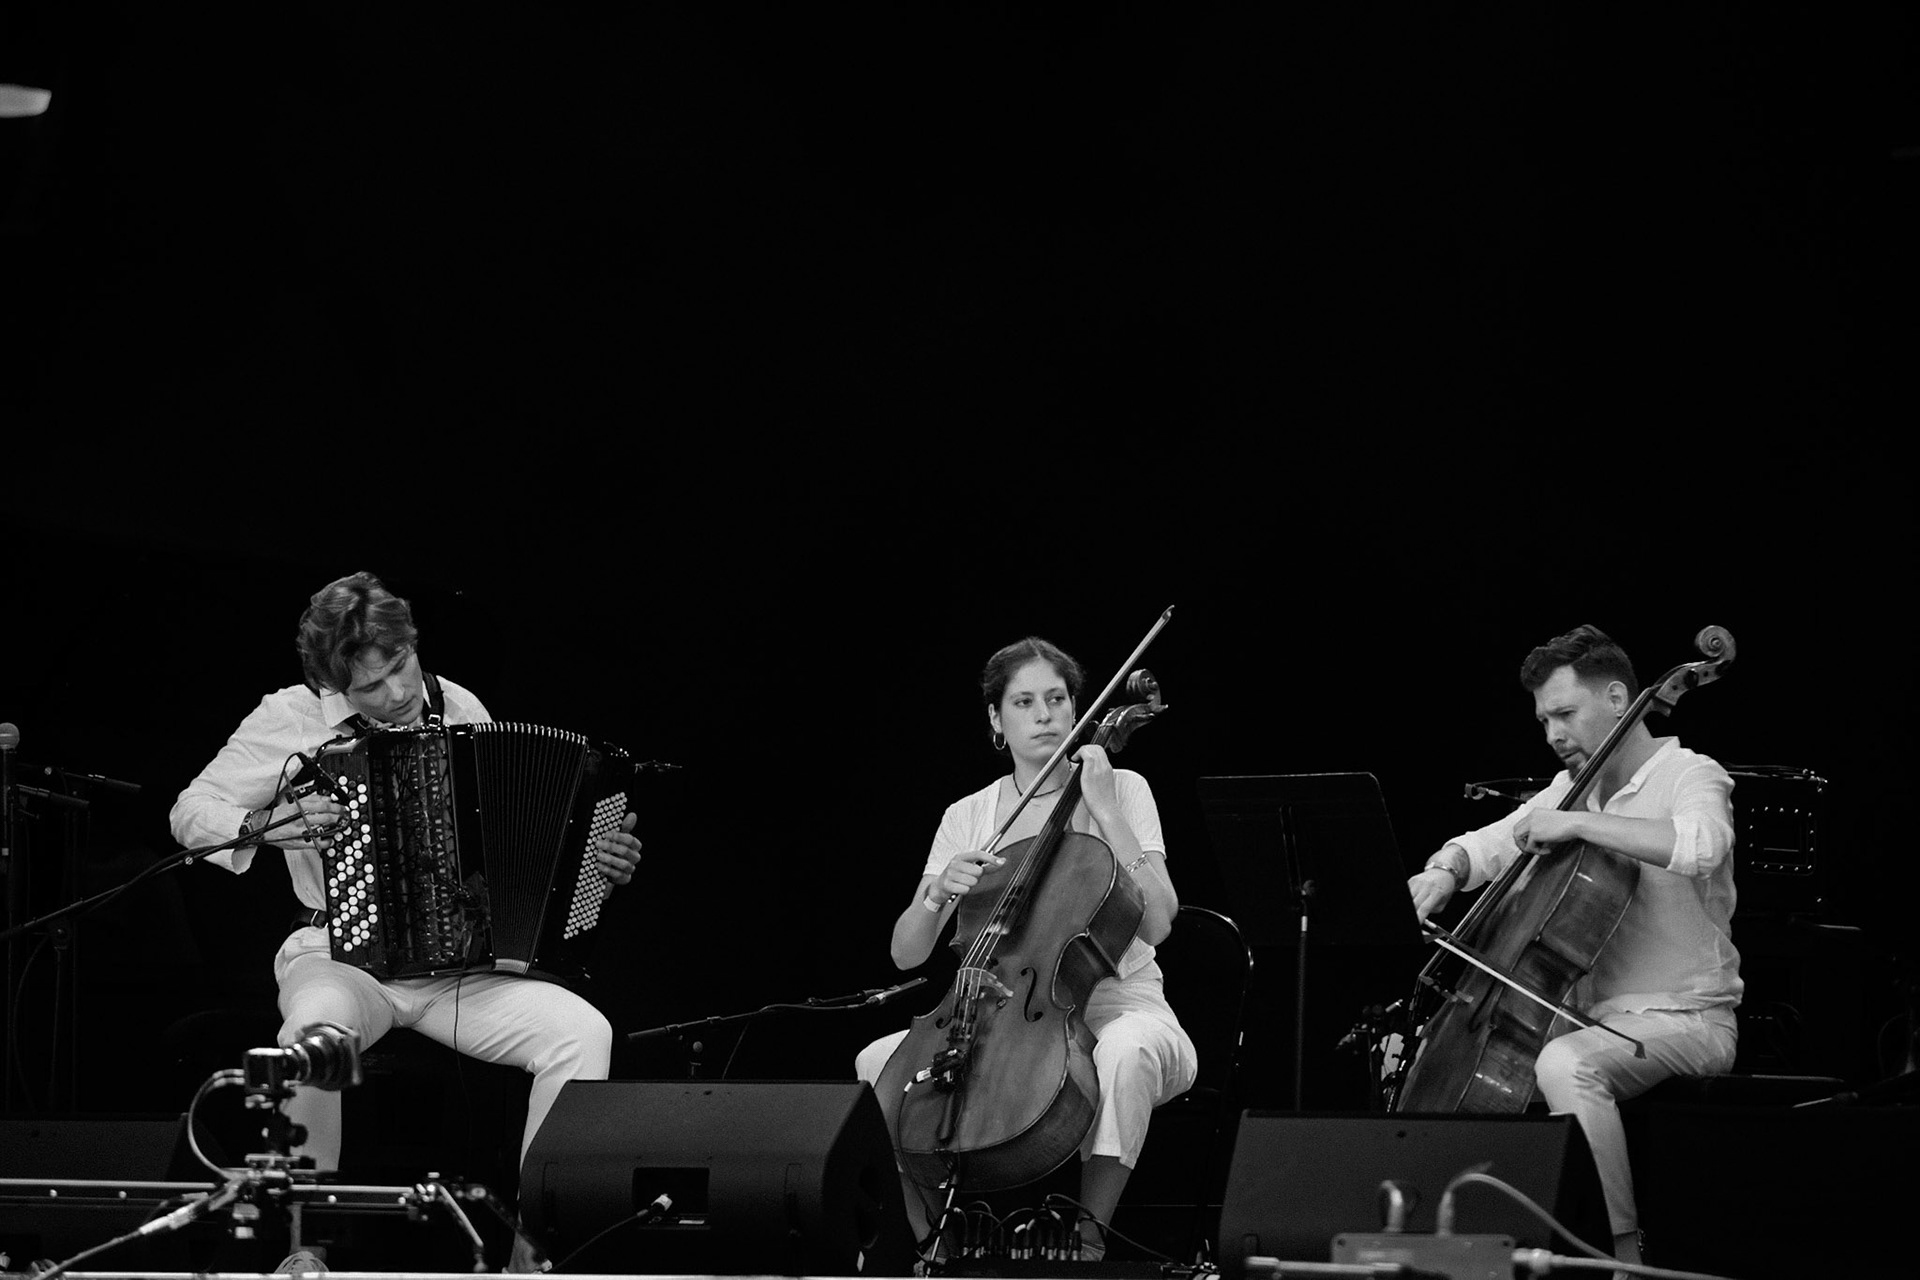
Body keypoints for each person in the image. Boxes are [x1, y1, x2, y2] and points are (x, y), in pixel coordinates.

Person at [169, 571, 642, 1189]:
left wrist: (589, 866)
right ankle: (304, 1227)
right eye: (370, 685)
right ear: (333, 685)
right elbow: (190, 812)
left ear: (413, 642)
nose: (396, 693)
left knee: (583, 1033)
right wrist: (266, 825)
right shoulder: (290, 716)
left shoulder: (461, 707)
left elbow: (503, 846)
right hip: (338, 955)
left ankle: (538, 1235)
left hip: (458, 968)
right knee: (313, 1038)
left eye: (401, 665)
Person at [1405, 625, 1739, 1269]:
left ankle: (1621, 1257)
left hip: (1687, 1017)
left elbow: (1702, 846)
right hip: (1590, 1018)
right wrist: (1444, 870)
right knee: (1432, 1058)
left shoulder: (1691, 774)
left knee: (1564, 1064)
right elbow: (1492, 842)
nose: (1553, 735)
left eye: (1564, 714)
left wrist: (1579, 821)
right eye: (1544, 721)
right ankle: (1463, 1251)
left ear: (1617, 698)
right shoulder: (1571, 788)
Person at [854, 637, 1197, 1260]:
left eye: (1057, 699)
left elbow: (1158, 923)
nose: (1044, 715)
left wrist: (1105, 810)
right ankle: (935, 1241)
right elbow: (907, 953)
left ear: (1076, 709)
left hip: (1121, 1002)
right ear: (996, 718)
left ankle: (1088, 1239)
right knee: (877, 1063)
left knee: (1124, 1053)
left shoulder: (1123, 787)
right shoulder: (969, 814)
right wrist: (938, 893)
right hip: (999, 1011)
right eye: (1024, 702)